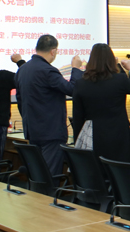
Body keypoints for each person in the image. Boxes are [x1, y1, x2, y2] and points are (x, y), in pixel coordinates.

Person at [71, 44, 130, 164]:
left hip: (94, 137)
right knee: (120, 171)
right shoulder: (120, 80)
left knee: (98, 172)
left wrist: (78, 143)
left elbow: (77, 117)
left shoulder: (81, 83)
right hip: (119, 135)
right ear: (111, 60)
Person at [15, 35, 83, 177]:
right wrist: (76, 68)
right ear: (53, 51)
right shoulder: (48, 71)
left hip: (32, 129)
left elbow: (20, 100)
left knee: (37, 173)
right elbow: (72, 89)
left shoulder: (23, 69)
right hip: (51, 132)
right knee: (49, 176)